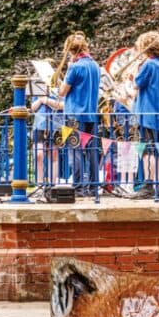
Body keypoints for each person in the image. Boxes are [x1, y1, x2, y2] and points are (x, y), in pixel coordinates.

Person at [55, 32, 100, 197]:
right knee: (92, 150)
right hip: (91, 113)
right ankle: (94, 187)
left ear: (70, 50)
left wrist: (66, 71)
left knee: (76, 150)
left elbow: (62, 92)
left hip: (75, 114)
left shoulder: (75, 67)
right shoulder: (95, 65)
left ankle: (79, 187)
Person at [132, 30, 159, 199]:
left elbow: (137, 84)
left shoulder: (149, 64)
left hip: (146, 113)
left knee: (147, 151)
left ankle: (149, 184)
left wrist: (134, 71)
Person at [30, 69, 64, 201]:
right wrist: (40, 100)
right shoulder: (38, 86)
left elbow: (62, 105)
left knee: (54, 154)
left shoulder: (59, 86)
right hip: (40, 123)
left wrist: (47, 100)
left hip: (56, 124)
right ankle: (39, 185)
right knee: (38, 154)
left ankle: (52, 185)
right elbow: (32, 107)